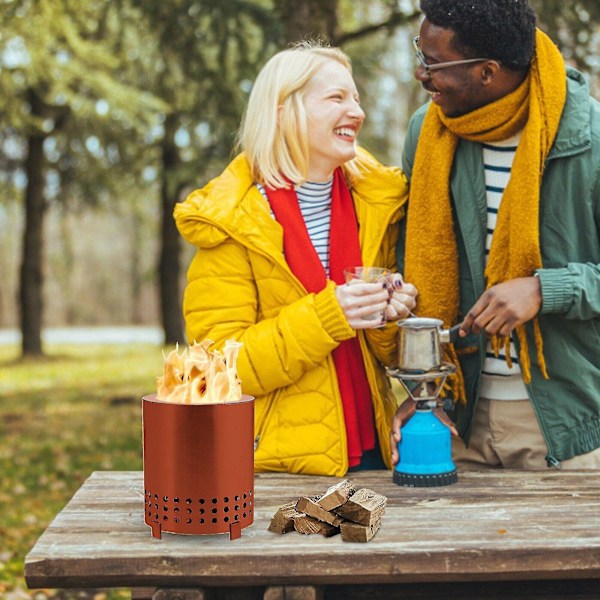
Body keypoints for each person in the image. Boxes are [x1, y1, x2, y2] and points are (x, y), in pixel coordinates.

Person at [175, 41, 417, 477]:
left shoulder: (377, 207)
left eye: (357, 98)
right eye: (336, 98)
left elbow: (385, 353)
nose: (357, 112)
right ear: (284, 111)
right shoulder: (232, 223)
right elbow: (218, 371)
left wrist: (387, 316)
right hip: (277, 467)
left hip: (376, 452)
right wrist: (329, 314)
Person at [392, 0, 600, 470]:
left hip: (565, 429)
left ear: (487, 72)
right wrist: (421, 389)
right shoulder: (424, 133)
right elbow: (412, 267)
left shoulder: (591, 139)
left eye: (434, 63)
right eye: (419, 54)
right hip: (451, 419)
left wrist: (544, 289)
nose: (421, 74)